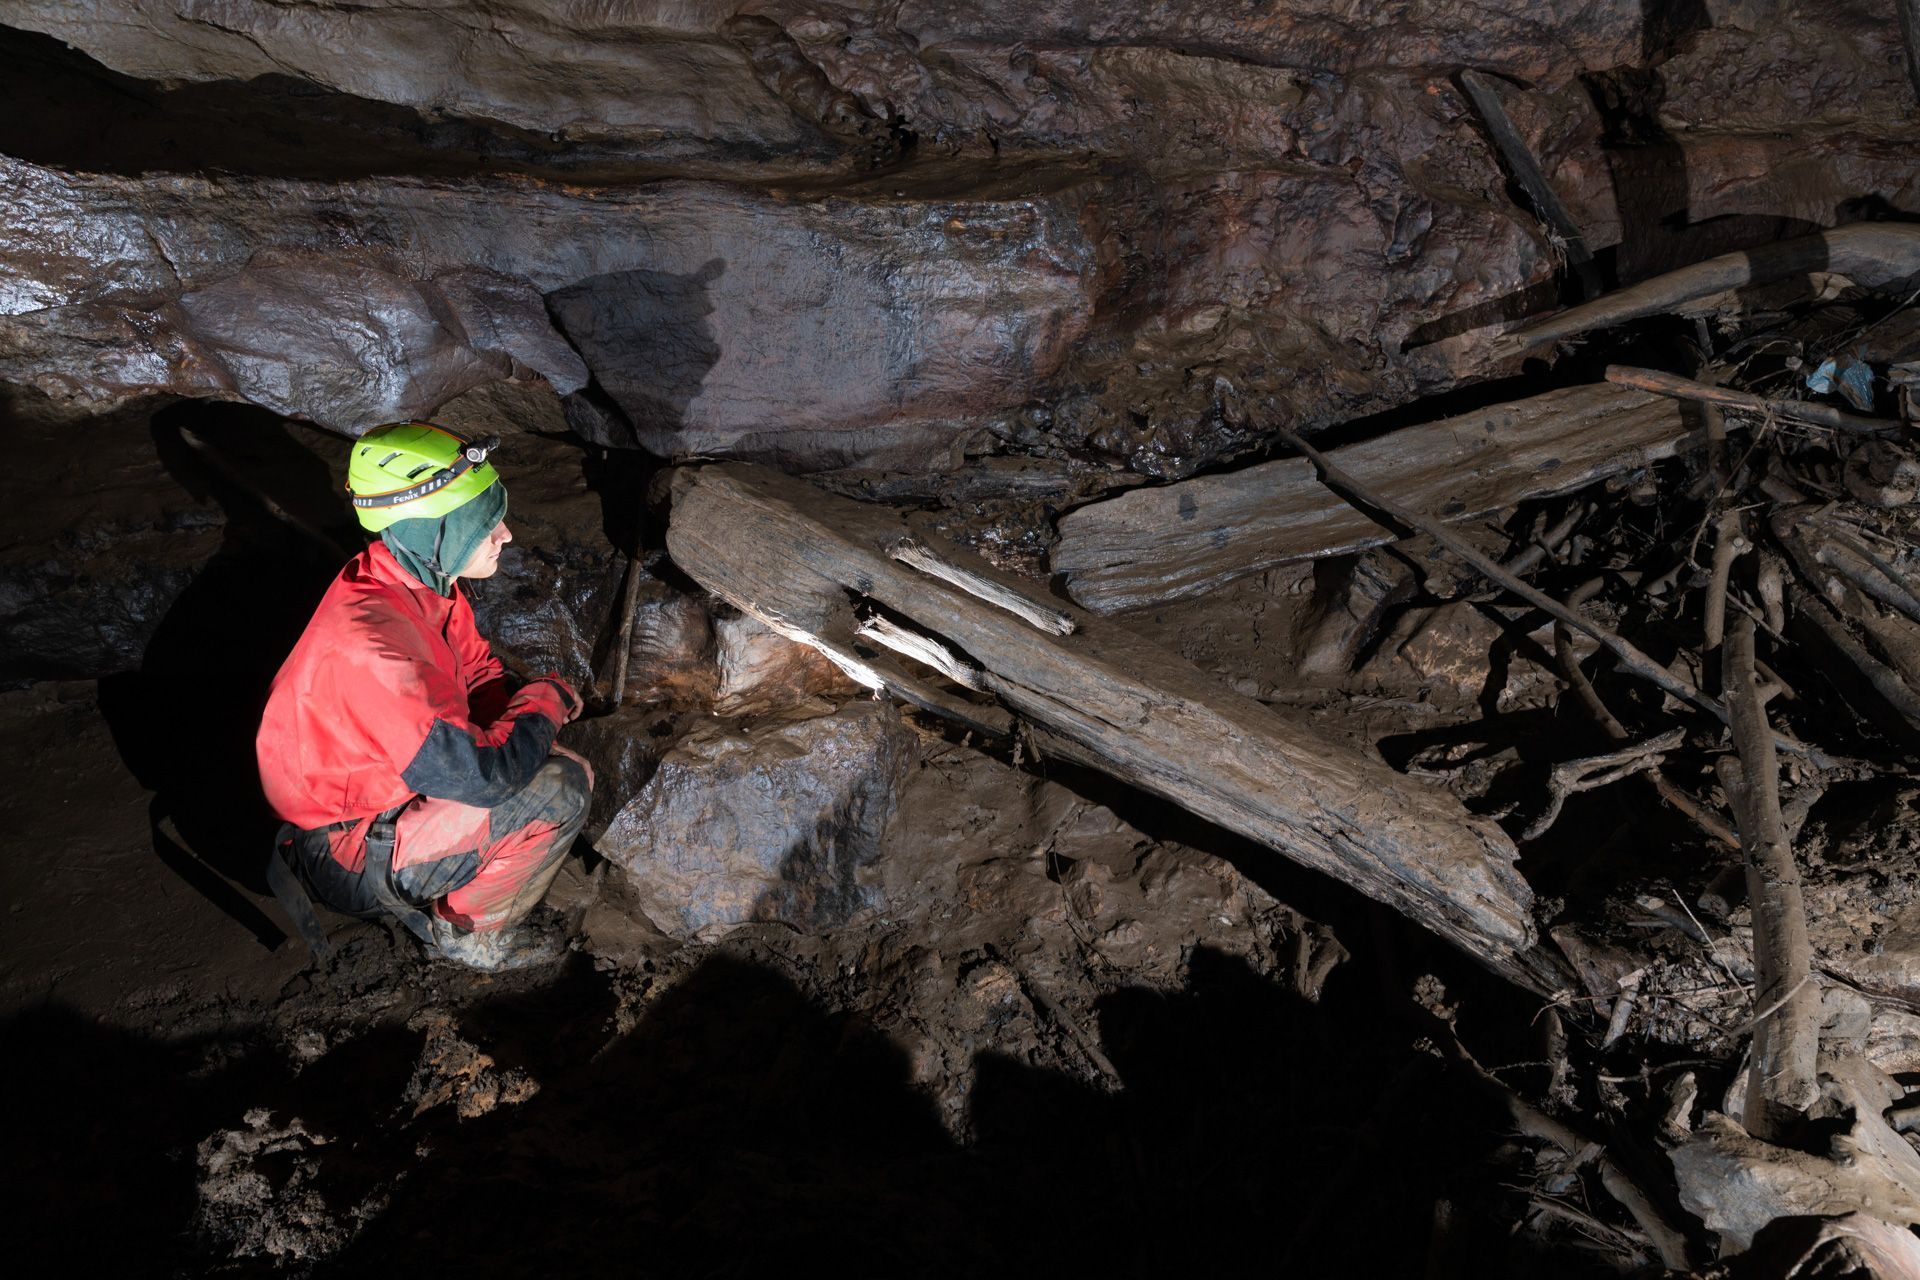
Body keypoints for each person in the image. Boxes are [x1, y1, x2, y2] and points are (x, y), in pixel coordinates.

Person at [257, 422, 593, 971]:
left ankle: (474, 869)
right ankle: (468, 939)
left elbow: (480, 674)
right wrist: (544, 705)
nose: (505, 534)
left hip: (388, 795)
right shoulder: (376, 650)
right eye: (482, 524)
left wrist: (523, 724)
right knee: (559, 788)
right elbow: (482, 779)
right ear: (429, 532)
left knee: (538, 760)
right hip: (347, 851)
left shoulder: (420, 586)